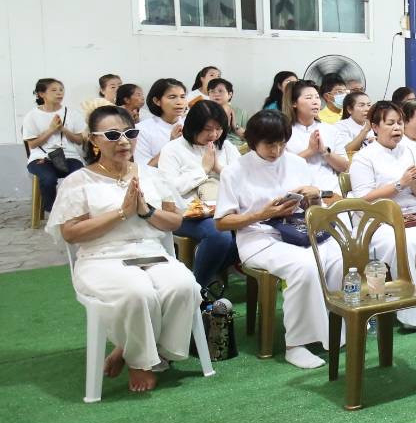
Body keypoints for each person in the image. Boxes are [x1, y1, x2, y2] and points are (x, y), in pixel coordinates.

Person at [47, 105, 202, 394]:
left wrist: (144, 210)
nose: (123, 141)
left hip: (150, 251)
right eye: (112, 134)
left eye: (130, 133)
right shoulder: (78, 181)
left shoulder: (152, 175)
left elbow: (174, 221)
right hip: (101, 257)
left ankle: (134, 349)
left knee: (184, 286)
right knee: (138, 292)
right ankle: (140, 361)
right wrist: (121, 213)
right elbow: (70, 233)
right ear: (93, 141)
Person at [216, 109, 344, 369]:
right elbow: (222, 222)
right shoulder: (234, 171)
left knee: (339, 257)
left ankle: (333, 330)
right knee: (304, 266)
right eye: (269, 145)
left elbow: (314, 208)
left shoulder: (296, 163)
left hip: (297, 230)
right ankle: (296, 344)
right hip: (257, 237)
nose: (276, 151)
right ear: (253, 142)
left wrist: (314, 196)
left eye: (281, 144)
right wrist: (264, 213)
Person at [348, 100, 416, 330]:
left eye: (399, 122)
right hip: (377, 222)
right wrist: (400, 184)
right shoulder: (364, 157)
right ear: (375, 127)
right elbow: (362, 200)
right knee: (406, 244)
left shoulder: (410, 152)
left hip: (412, 215)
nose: (397, 128)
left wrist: (414, 185)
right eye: (390, 123)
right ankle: (413, 314)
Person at [158, 99, 240, 291]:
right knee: (220, 235)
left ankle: (205, 274)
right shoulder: (172, 149)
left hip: (225, 209)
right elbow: (168, 190)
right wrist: (202, 169)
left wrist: (219, 168)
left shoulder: (226, 147)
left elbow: (242, 181)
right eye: (207, 129)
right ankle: (198, 288)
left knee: (252, 234)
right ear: (193, 126)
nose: (213, 135)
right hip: (187, 213)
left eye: (219, 129)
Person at [23, 77, 87, 210]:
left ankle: (76, 210)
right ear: (41, 94)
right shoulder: (32, 116)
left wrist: (63, 129)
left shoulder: (72, 113)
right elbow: (33, 145)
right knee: (48, 179)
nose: (59, 93)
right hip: (41, 158)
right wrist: (51, 130)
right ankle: (53, 211)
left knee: (79, 176)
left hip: (69, 156)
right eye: (54, 90)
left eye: (61, 90)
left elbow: (79, 140)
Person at [283, 80, 348, 192]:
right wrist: (309, 152)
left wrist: (325, 152)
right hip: (299, 191)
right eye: (309, 98)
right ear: (294, 103)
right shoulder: (284, 131)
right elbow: (280, 168)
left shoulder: (330, 129)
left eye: (317, 97)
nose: (315, 102)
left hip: (331, 189)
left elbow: (345, 166)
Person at [134, 78, 186, 167]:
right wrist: (171, 145)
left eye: (182, 97)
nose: (179, 102)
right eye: (172, 97)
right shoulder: (142, 129)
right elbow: (144, 168)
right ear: (157, 101)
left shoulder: (191, 124)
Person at [332, 91, 374, 160]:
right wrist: (365, 130)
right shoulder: (340, 126)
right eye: (362, 105)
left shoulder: (369, 124)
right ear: (349, 109)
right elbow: (346, 150)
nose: (367, 109)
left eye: (369, 105)